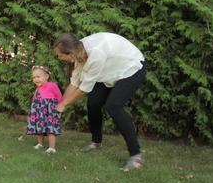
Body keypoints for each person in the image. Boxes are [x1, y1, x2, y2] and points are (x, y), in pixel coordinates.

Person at [53, 32, 147, 171]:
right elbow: (74, 84)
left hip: (131, 67)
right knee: (93, 103)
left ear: (70, 53)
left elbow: (84, 88)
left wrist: (64, 104)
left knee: (113, 106)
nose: (59, 58)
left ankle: (136, 155)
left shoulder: (95, 54)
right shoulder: (79, 51)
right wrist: (60, 104)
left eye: (60, 55)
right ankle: (96, 142)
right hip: (110, 70)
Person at [26, 65, 63, 153]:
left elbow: (60, 97)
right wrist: (32, 111)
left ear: (46, 76)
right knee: (40, 128)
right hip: (39, 113)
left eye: (38, 77)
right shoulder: (37, 89)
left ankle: (52, 147)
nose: (36, 79)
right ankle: (40, 144)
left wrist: (60, 109)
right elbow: (34, 100)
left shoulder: (52, 85)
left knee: (51, 129)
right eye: (34, 77)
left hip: (50, 113)